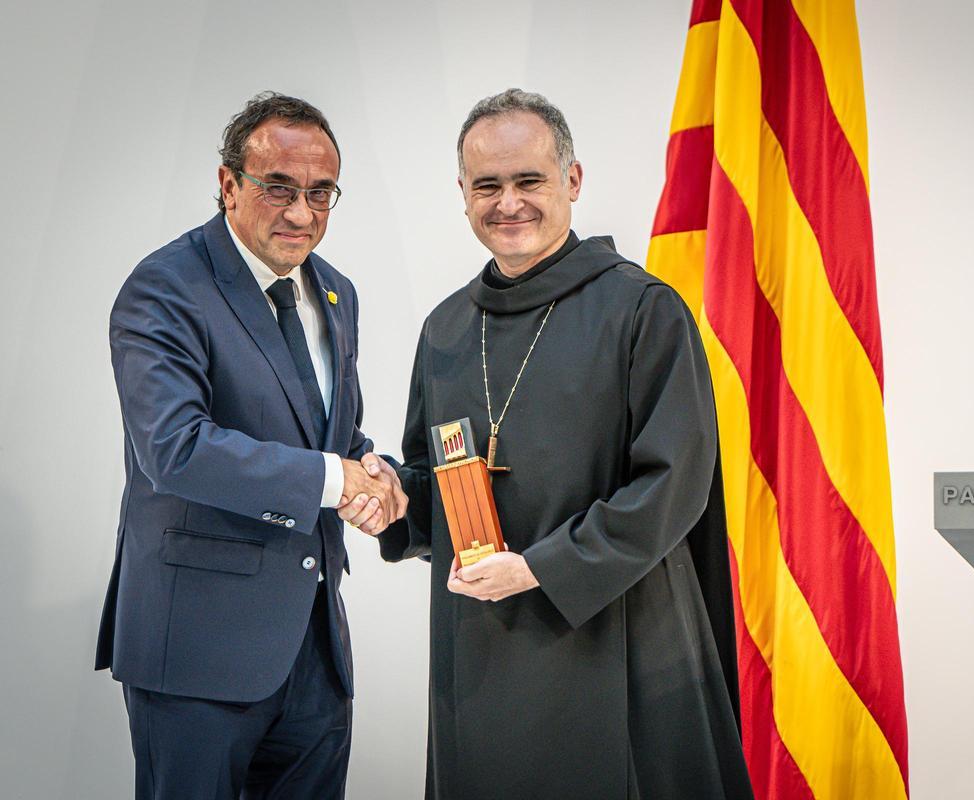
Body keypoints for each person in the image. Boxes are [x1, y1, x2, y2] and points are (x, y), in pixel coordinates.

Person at [346, 88, 753, 799]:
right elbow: (430, 478)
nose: (508, 203)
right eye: (487, 186)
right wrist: (394, 501)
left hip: (617, 637)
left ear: (572, 180)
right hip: (482, 650)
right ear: (463, 195)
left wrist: (540, 568)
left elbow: (674, 481)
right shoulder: (445, 329)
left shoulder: (642, 310)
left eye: (528, 180)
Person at [96, 91, 405, 799]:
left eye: (321, 192)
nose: (302, 213)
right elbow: (174, 448)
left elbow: (332, 433)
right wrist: (335, 480)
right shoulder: (164, 287)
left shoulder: (336, 292)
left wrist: (375, 472)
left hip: (316, 653)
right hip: (199, 654)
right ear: (228, 183)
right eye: (279, 188)